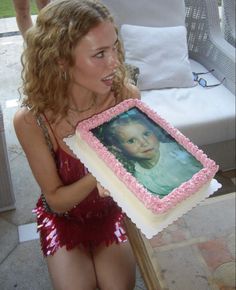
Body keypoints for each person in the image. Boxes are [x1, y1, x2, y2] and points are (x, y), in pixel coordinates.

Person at [13, 0, 140, 289]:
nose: (115, 63)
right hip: (64, 220)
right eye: (100, 54)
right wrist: (101, 170)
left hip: (110, 215)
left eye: (114, 47)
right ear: (61, 60)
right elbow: (56, 200)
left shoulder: (126, 97)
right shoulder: (33, 120)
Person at [98, 109, 203, 197]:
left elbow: (200, 177)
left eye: (146, 134)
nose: (144, 143)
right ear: (118, 148)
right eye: (131, 141)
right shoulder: (135, 172)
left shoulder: (175, 152)